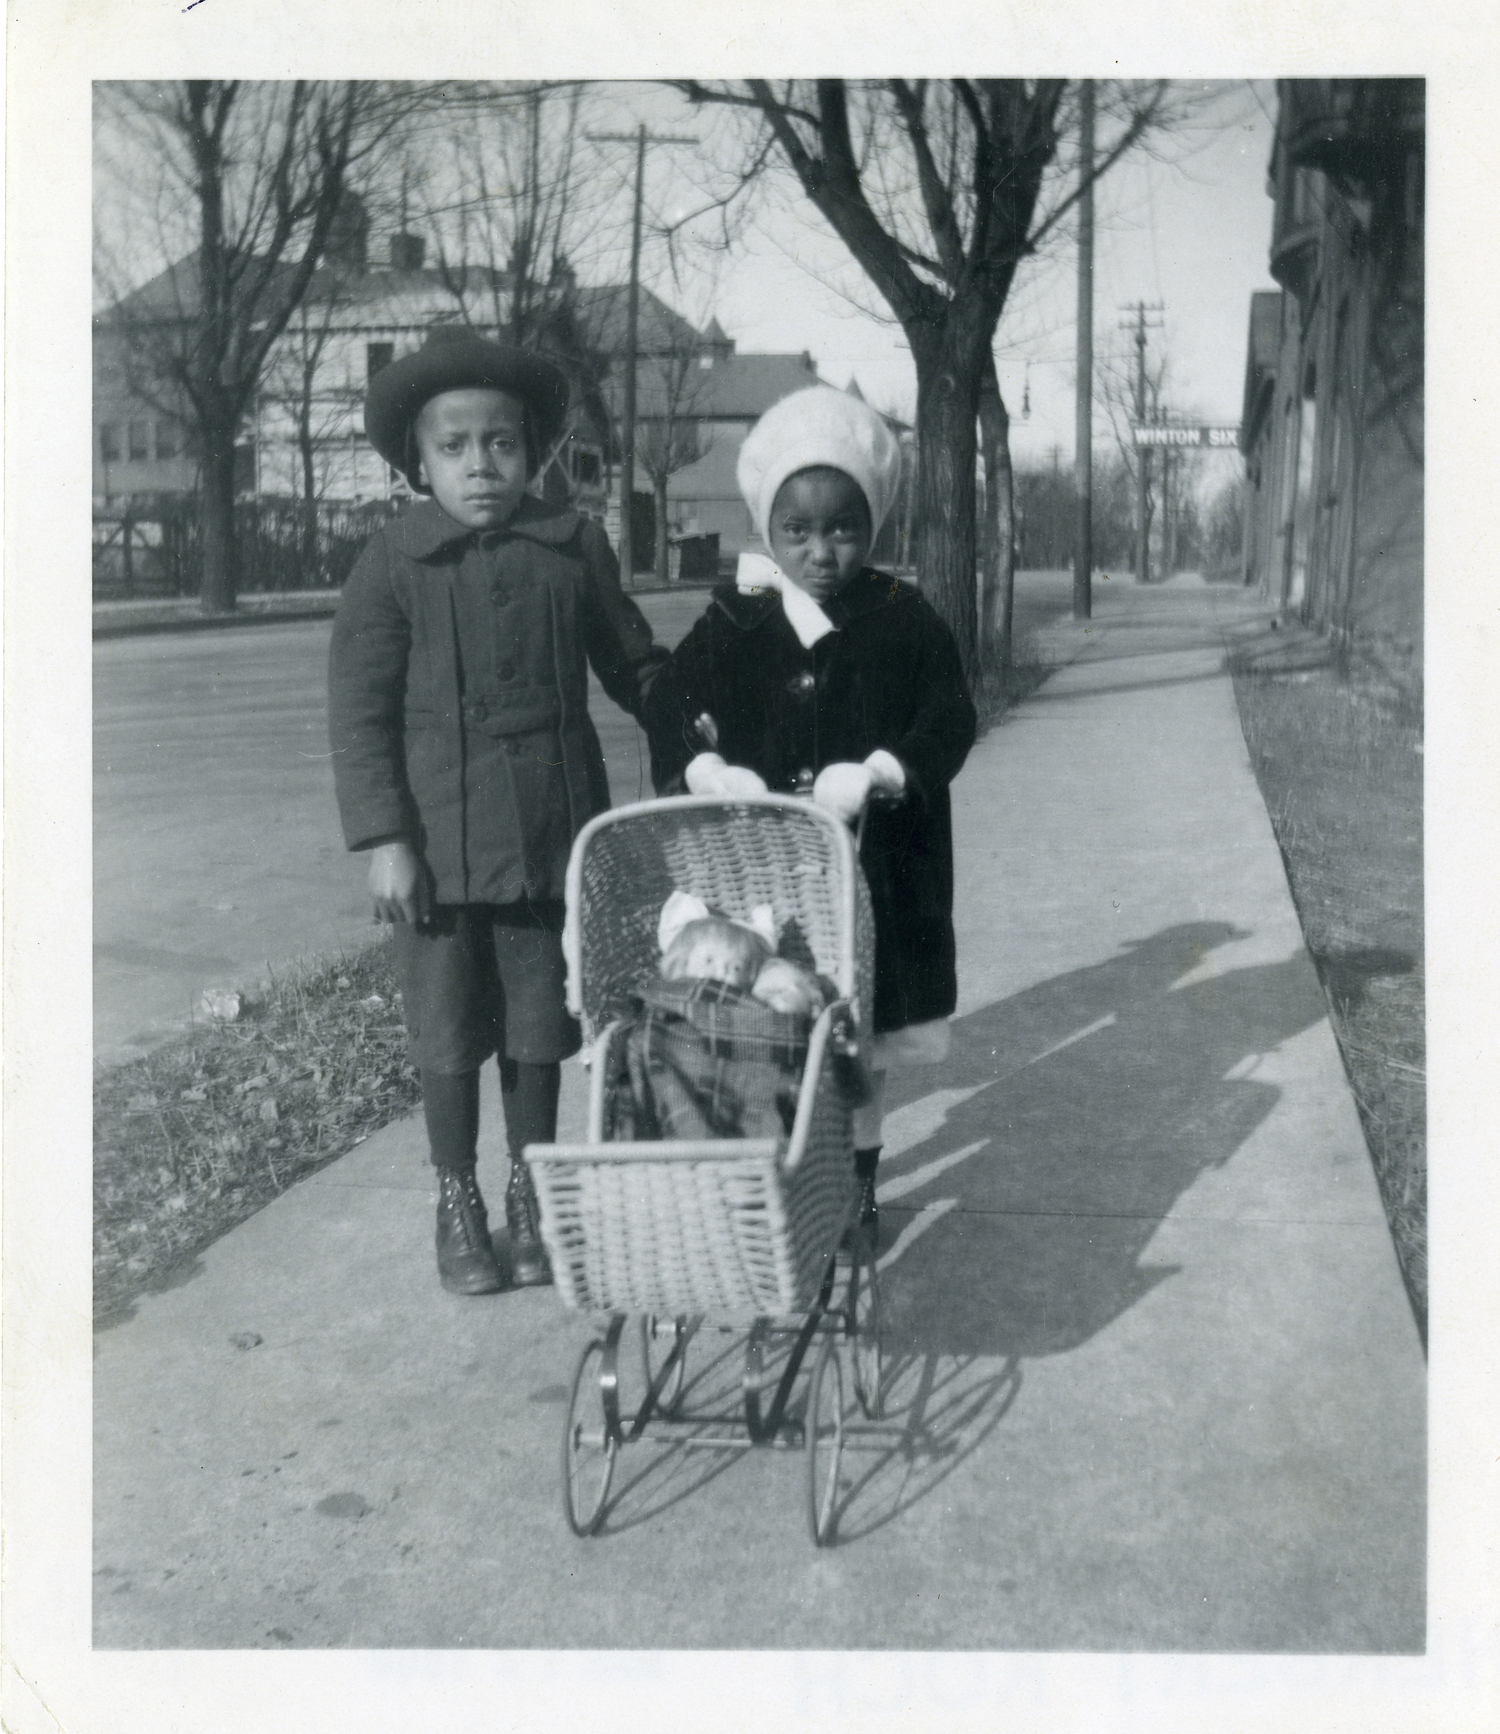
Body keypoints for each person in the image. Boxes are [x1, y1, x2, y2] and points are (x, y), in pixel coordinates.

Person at [328, 326, 665, 1296]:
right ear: (418, 462)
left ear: (535, 453)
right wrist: (385, 837)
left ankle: (529, 1193)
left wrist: (695, 719)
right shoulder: (394, 564)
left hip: (553, 831)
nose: (481, 466)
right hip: (435, 842)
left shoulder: (571, 548)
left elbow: (633, 664)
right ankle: (456, 1200)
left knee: (538, 1021)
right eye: (455, 448)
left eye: (503, 445)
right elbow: (358, 709)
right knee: (446, 1026)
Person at [644, 386, 976, 1243]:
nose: (822, 552)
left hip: (880, 873)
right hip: (768, 882)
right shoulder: (735, 620)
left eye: (844, 529)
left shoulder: (903, 622)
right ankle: (776, 1172)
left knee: (859, 1040)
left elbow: (949, 716)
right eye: (798, 532)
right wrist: (704, 760)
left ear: (874, 528)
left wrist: (885, 768)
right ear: (768, 528)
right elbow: (672, 700)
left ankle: (860, 1182)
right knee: (771, 1022)